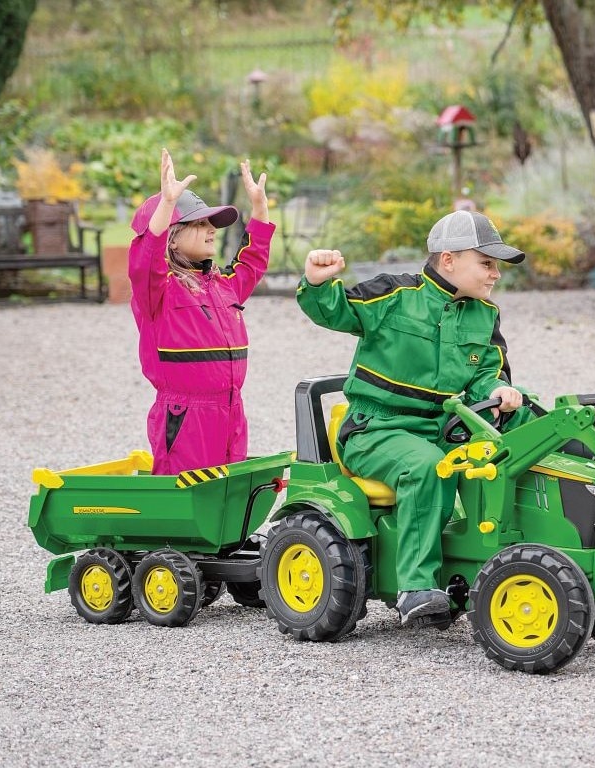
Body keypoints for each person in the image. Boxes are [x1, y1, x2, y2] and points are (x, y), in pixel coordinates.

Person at [297, 210, 527, 626]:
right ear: (449, 259)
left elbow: (486, 374)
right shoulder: (393, 295)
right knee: (427, 466)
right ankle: (414, 587)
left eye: (497, 266)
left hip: (439, 426)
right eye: (487, 263)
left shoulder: (485, 315)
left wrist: (497, 392)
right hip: (376, 429)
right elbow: (336, 311)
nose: (495, 275)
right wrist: (316, 282)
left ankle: (499, 560)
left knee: (511, 446)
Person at [128, 148, 273, 476]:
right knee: (185, 505)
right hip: (185, 418)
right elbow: (145, 261)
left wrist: (260, 209)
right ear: (173, 239)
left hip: (231, 410)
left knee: (227, 498)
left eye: (212, 223)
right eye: (199, 223)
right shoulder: (159, 291)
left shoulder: (223, 285)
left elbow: (251, 263)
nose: (211, 230)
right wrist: (166, 205)